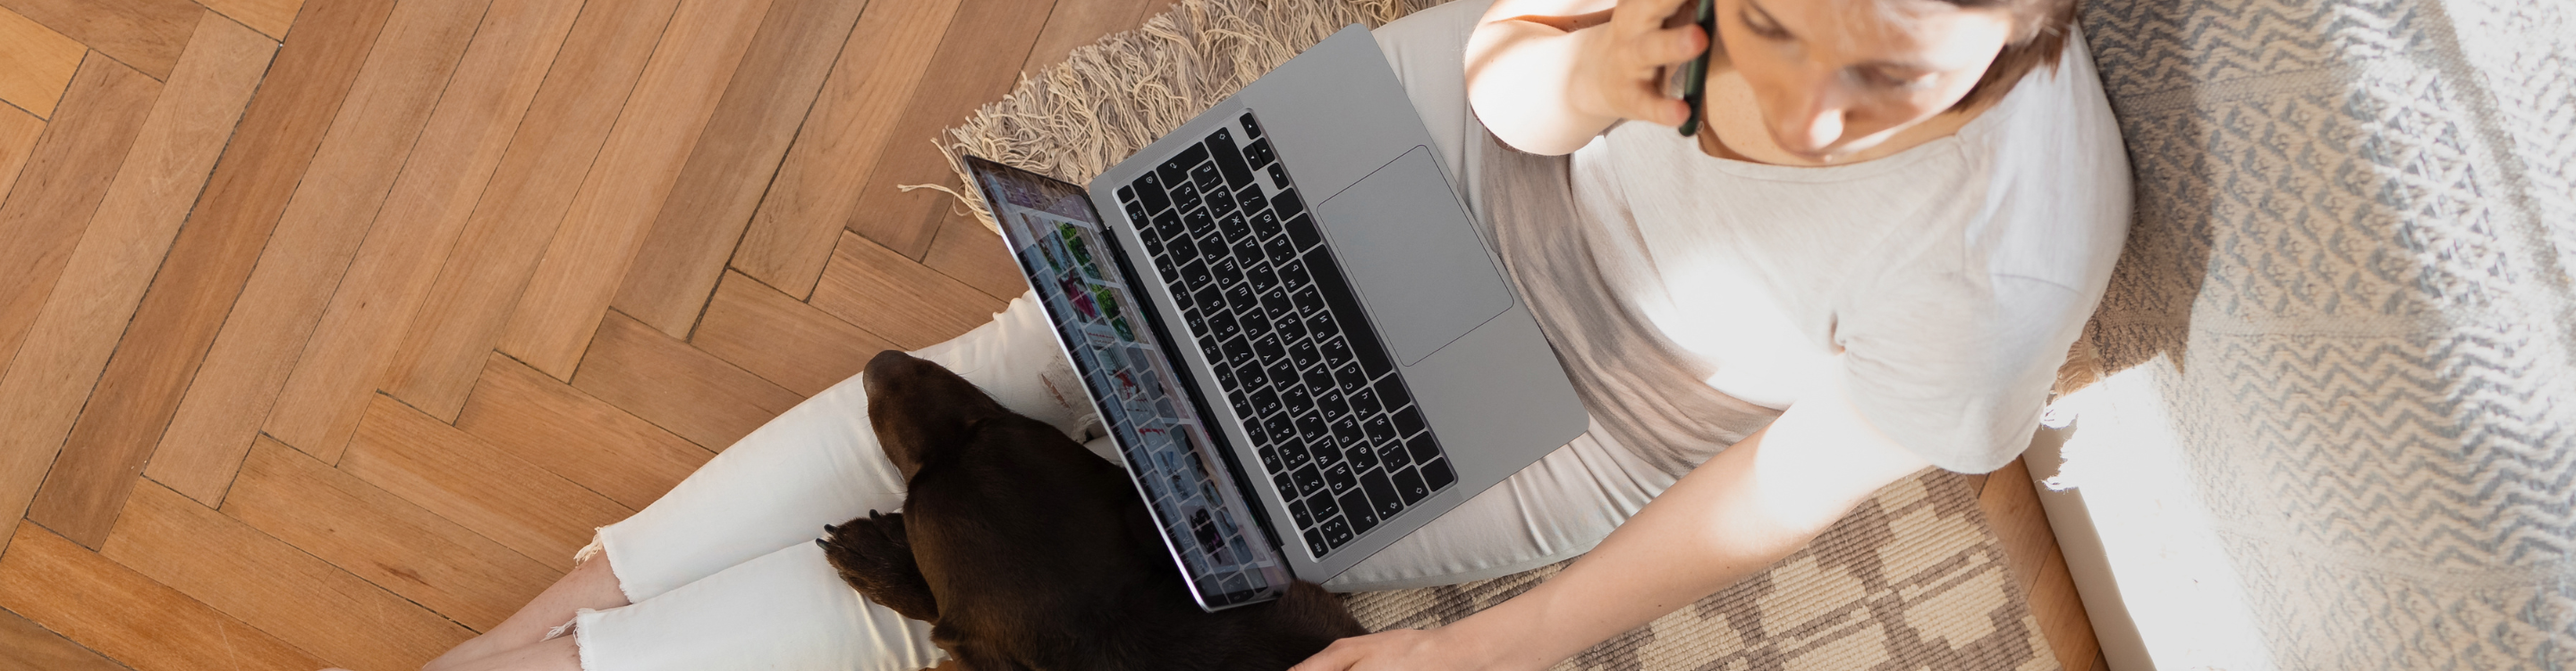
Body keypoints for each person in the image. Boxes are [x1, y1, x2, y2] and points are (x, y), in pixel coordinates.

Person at [407, 0, 2124, 667]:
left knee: (1141, 539)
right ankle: (530, 640)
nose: (1809, 115)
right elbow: (1511, 85)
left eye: (1892, 78)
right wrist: (1604, 71)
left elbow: (1782, 486)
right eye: (1772, 26)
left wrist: (1474, 651)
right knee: (1037, 355)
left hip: (1595, 388)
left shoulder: (2013, 250)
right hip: (1452, 143)